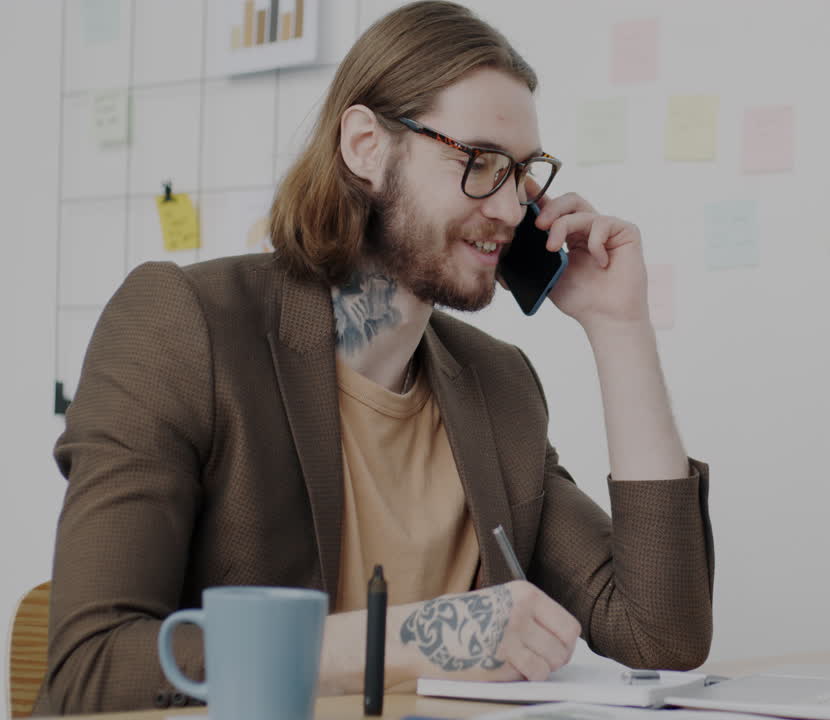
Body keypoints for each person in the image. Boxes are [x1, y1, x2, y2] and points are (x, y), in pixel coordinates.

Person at [35, 2, 713, 714]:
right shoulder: (183, 327)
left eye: (523, 172)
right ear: (365, 145)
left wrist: (620, 326)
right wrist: (416, 636)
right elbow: (91, 669)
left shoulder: (498, 384)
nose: (514, 209)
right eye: (479, 162)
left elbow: (661, 632)